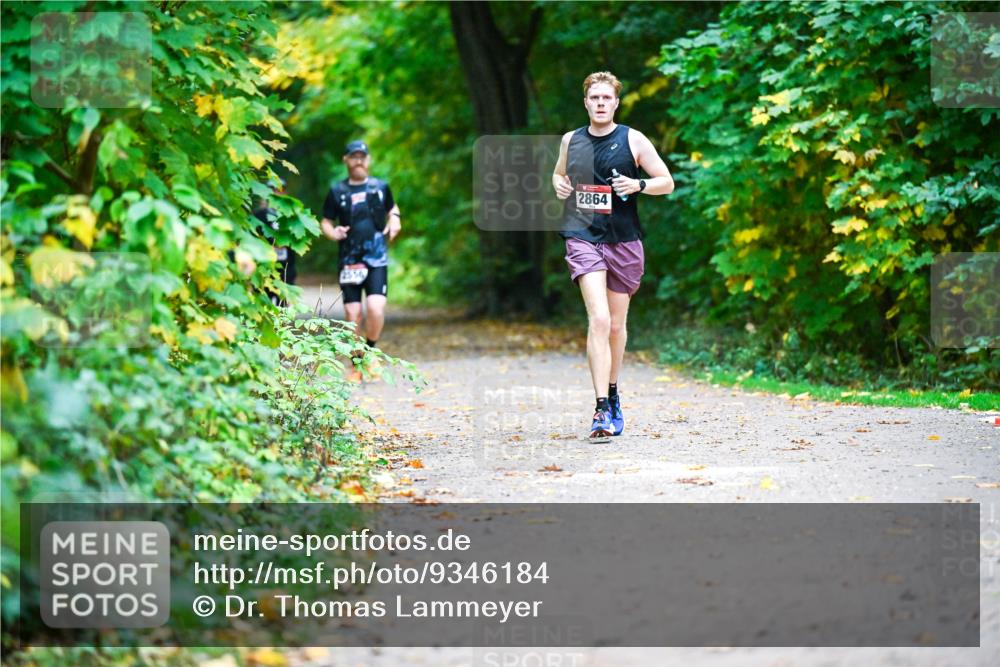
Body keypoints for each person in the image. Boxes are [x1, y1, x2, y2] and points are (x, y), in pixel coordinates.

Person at [552, 72, 674, 440]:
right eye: (595, 98)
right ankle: (601, 408)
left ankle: (614, 389)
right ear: (586, 102)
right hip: (582, 236)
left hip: (623, 241)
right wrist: (558, 184)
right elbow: (559, 177)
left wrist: (638, 184)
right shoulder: (570, 140)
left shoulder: (633, 139)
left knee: (617, 326)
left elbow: (666, 181)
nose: (601, 103)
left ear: (616, 103)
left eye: (607, 98)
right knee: (600, 320)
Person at [321, 140, 401, 381]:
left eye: (362, 156)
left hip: (376, 257)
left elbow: (392, 207)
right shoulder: (337, 191)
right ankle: (357, 364)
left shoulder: (379, 187)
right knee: (352, 314)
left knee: (376, 308)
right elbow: (325, 220)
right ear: (345, 160)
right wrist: (332, 232)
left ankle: (370, 351)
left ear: (368, 160)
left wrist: (395, 219)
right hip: (349, 259)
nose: (359, 160)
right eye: (353, 156)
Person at [253, 180, 297, 307]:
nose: (276, 193)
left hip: (285, 267)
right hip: (264, 268)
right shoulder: (258, 216)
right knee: (263, 304)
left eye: (280, 190)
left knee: (283, 305)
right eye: (272, 190)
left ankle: (281, 327)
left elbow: (298, 240)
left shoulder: (292, 216)